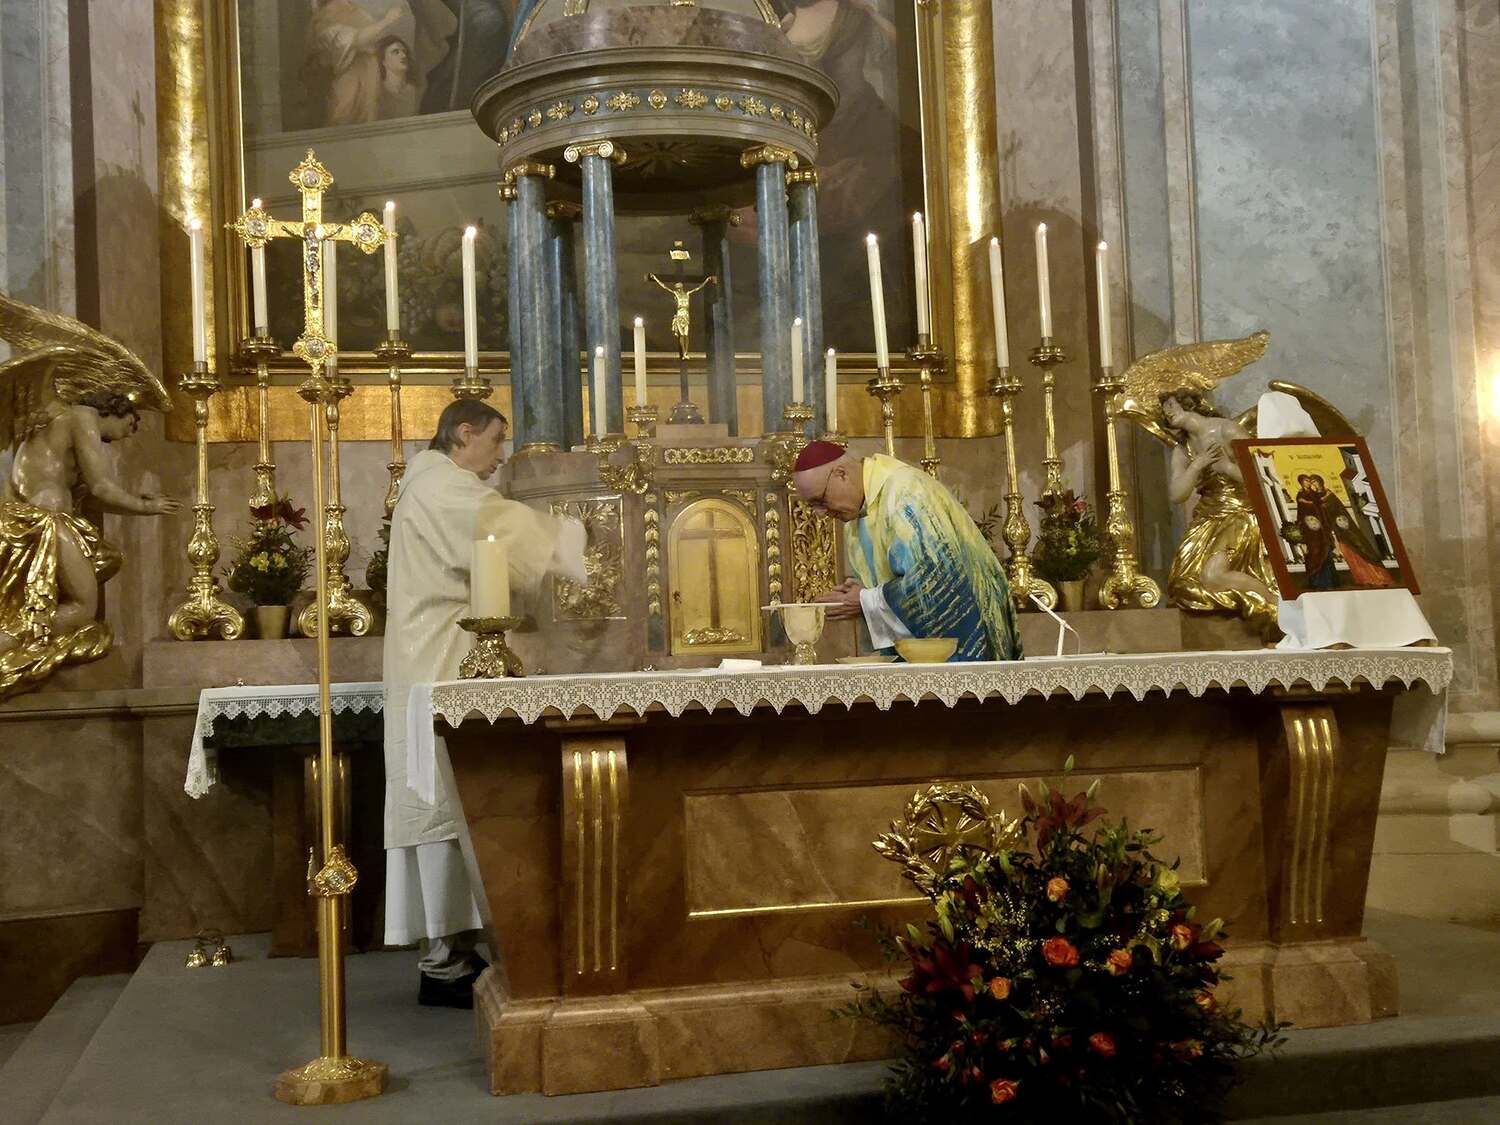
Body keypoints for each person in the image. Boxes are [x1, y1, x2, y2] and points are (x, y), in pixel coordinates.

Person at [382, 399, 584, 1007]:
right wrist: (575, 535)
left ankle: (459, 951)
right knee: (443, 802)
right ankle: (444, 962)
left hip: (446, 652)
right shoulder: (439, 486)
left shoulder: (435, 483)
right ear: (463, 433)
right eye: (496, 441)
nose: (501, 456)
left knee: (454, 801)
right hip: (440, 656)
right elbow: (493, 525)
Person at [792, 442, 1020, 661]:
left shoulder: (906, 492)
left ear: (841, 474)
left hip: (966, 646)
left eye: (820, 500)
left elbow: (937, 583)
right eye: (812, 506)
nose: (820, 513)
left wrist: (867, 600)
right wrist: (863, 593)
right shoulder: (857, 517)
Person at [1159, 388, 1277, 634]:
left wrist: (1228, 468)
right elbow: (1177, 495)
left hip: (1239, 513)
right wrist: (1197, 466)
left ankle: (1277, 607)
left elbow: (1265, 476)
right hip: (1207, 518)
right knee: (1182, 585)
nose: (1166, 412)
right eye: (1164, 409)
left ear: (1187, 402)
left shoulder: (1227, 430)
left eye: (1170, 404)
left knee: (1213, 576)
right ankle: (1254, 605)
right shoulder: (1182, 449)